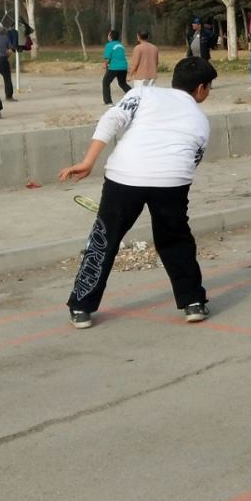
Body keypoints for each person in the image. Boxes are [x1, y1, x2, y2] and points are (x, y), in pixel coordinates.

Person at [59, 56, 217, 330]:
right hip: (172, 180)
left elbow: (112, 118)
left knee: (104, 239)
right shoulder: (201, 120)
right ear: (201, 88)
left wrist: (88, 161)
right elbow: (193, 159)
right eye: (210, 87)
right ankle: (193, 302)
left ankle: (81, 307)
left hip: (124, 175)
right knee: (176, 240)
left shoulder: (143, 93)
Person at [102, 29, 131, 105]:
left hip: (114, 67)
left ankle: (108, 101)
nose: (108, 36)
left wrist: (105, 64)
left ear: (110, 36)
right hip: (123, 67)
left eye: (109, 35)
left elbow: (107, 57)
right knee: (122, 83)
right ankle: (134, 95)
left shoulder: (109, 45)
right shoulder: (121, 45)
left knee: (106, 82)